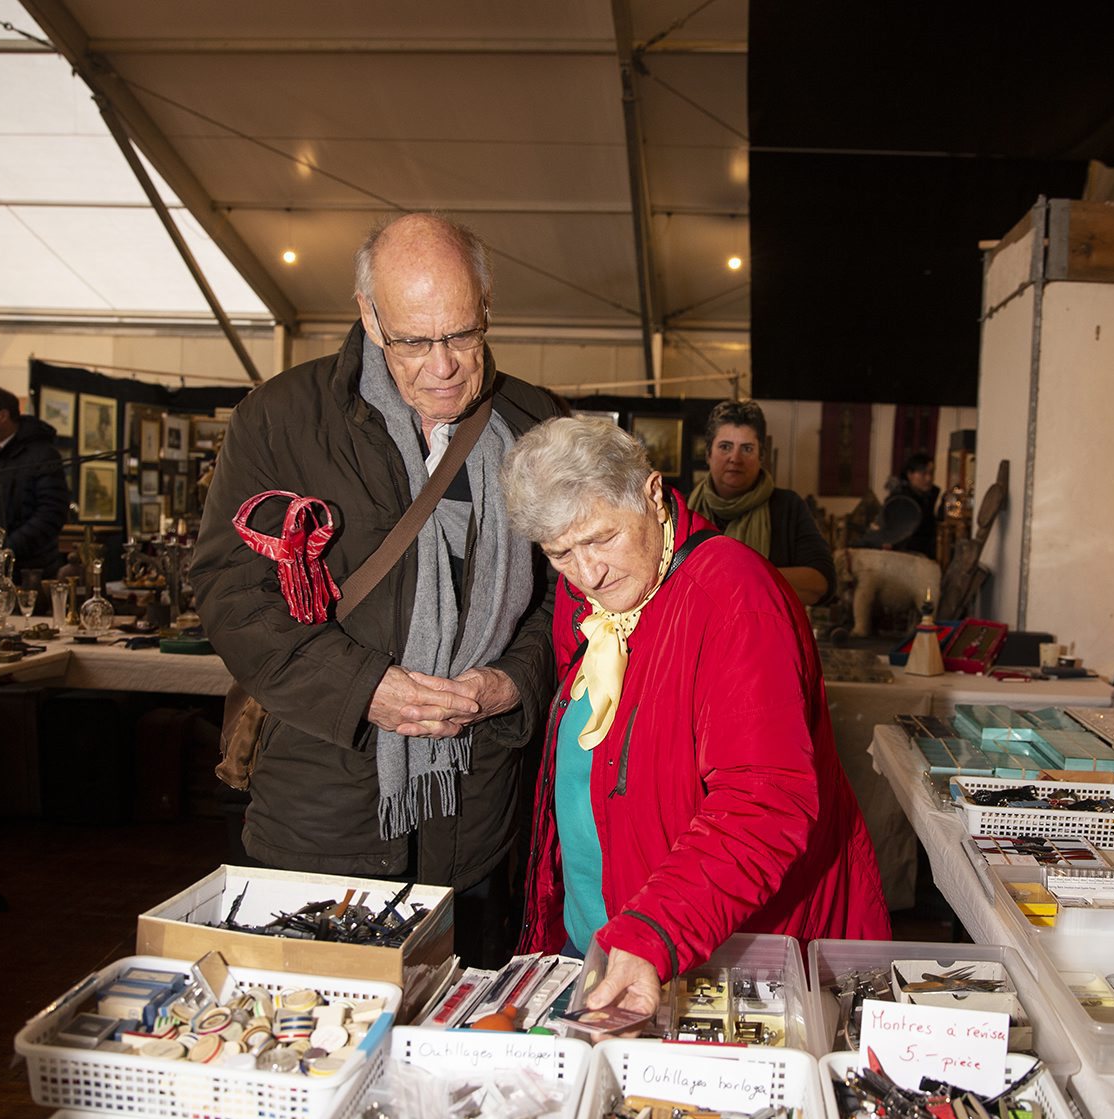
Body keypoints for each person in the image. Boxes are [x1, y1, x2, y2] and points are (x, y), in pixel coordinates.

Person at [189, 213, 562, 965]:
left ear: (486, 305)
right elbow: (231, 591)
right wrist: (366, 688)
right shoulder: (282, 418)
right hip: (321, 810)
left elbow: (567, 596)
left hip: (476, 810)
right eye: (413, 341)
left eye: (462, 334)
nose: (444, 365)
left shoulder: (535, 423)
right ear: (367, 314)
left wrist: (510, 682)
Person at [504, 416, 890, 1017]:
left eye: (602, 538)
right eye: (560, 553)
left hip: (718, 948)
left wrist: (655, 930)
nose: (588, 573)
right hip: (606, 940)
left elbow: (764, 802)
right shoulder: (589, 596)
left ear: (652, 494)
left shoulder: (734, 595)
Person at [686, 400, 834, 607]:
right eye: (725, 447)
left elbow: (820, 583)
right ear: (708, 454)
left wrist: (741, 573)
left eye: (747, 449)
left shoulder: (787, 507)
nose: (735, 458)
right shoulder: (683, 509)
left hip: (765, 636)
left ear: (761, 456)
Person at [0, 386, 69, 582]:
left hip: (24, 570)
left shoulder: (41, 455)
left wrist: (8, 547)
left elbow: (51, 512)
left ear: (3, 415)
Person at [897, 452, 941, 560]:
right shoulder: (901, 500)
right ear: (910, 475)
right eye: (923, 474)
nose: (928, 479)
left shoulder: (929, 496)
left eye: (931, 473)